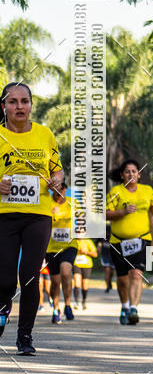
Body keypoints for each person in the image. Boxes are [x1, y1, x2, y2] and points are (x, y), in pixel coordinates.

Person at [0, 82, 64, 354]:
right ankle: (1, 319)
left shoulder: (45, 134)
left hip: (38, 215)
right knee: (4, 280)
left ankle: (24, 337)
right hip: (4, 216)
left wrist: (58, 179)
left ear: (31, 105)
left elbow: (58, 170)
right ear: (3, 106)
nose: (19, 107)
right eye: (12, 101)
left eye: (24, 101)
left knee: (29, 277)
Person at [106, 159, 153, 325]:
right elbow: (105, 213)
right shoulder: (116, 191)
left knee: (137, 274)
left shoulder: (147, 190)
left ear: (139, 174)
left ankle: (133, 309)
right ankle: (124, 305)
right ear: (122, 175)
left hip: (142, 238)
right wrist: (123, 211)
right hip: (118, 241)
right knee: (122, 279)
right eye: (127, 171)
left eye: (134, 171)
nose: (131, 174)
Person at [45, 181, 77, 324]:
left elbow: (85, 217)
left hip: (69, 245)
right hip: (51, 247)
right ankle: (55, 308)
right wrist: (49, 216)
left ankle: (68, 305)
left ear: (65, 190)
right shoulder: (46, 204)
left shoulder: (72, 203)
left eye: (61, 190)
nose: (58, 193)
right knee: (55, 281)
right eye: (55, 191)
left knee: (66, 272)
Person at [73, 237, 97, 309]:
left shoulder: (88, 241)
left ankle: (84, 301)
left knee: (85, 285)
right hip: (76, 264)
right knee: (77, 282)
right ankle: (76, 302)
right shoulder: (73, 241)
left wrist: (86, 252)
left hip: (87, 265)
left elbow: (95, 254)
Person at [100, 228, 115, 292]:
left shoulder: (113, 237)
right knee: (107, 271)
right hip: (105, 256)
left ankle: (109, 282)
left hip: (113, 257)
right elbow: (99, 244)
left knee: (111, 272)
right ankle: (107, 286)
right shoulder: (102, 238)